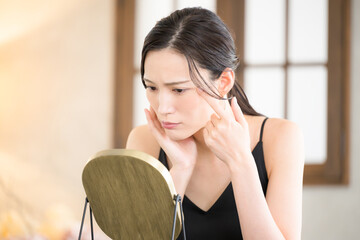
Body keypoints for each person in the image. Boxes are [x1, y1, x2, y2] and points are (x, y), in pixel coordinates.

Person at [126, 7, 304, 240]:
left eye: (178, 89)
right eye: (152, 87)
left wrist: (240, 161)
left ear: (224, 82)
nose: (162, 107)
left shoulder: (279, 139)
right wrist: (179, 170)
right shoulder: (145, 142)